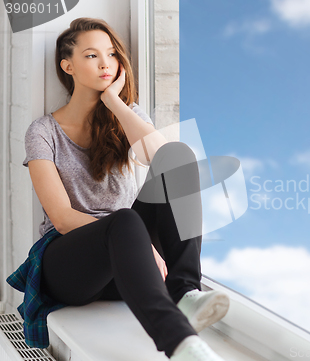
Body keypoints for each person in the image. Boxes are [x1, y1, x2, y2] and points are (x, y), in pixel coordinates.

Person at [7, 17, 229, 360]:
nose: (106, 63)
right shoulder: (43, 131)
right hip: (73, 262)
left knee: (177, 153)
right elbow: (63, 219)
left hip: (126, 261)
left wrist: (114, 102)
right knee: (125, 220)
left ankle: (185, 291)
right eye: (92, 55)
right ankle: (182, 344)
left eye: (112, 54)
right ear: (68, 66)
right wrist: (137, 237)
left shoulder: (126, 114)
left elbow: (164, 159)